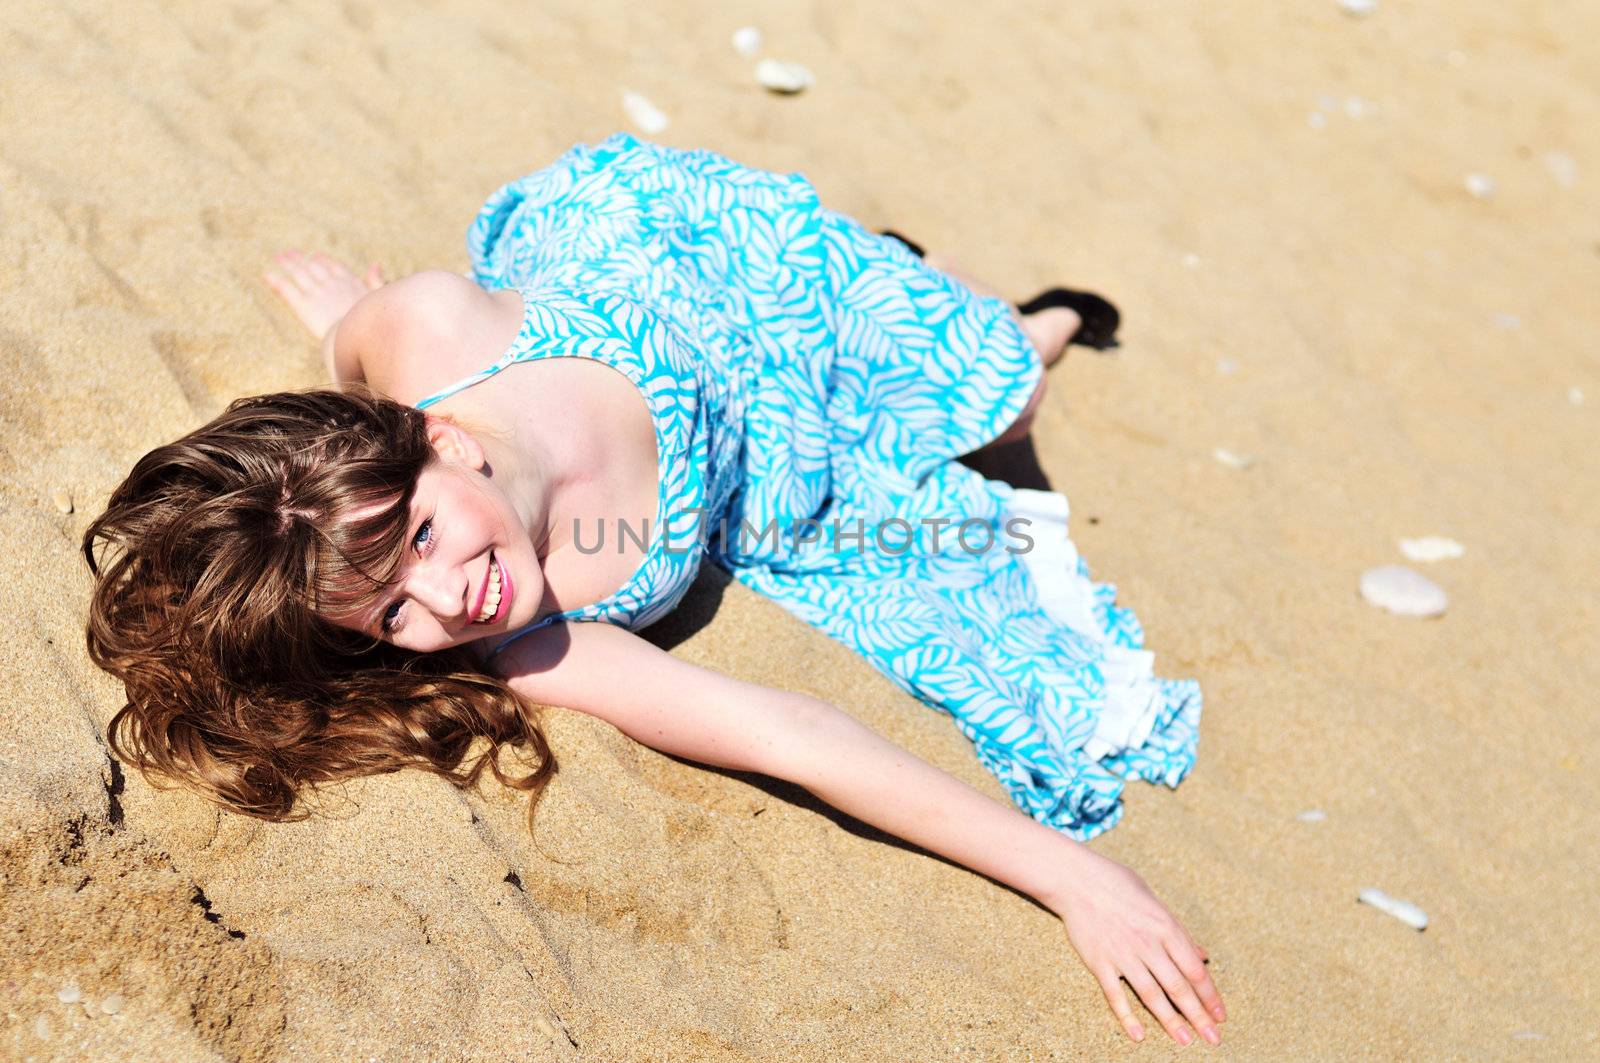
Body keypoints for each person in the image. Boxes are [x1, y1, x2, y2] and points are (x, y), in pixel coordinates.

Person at [83, 134, 1221, 1046]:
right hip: (776, 433)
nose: (449, 596)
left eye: (422, 532)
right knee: (998, 400)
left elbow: (355, 363)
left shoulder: (430, 322)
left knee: (994, 386)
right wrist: (1072, 879)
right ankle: (1038, 311)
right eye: (389, 614)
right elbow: (791, 733)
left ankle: (917, 281)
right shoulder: (530, 640)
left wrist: (337, 322)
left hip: (690, 248)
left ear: (444, 443)